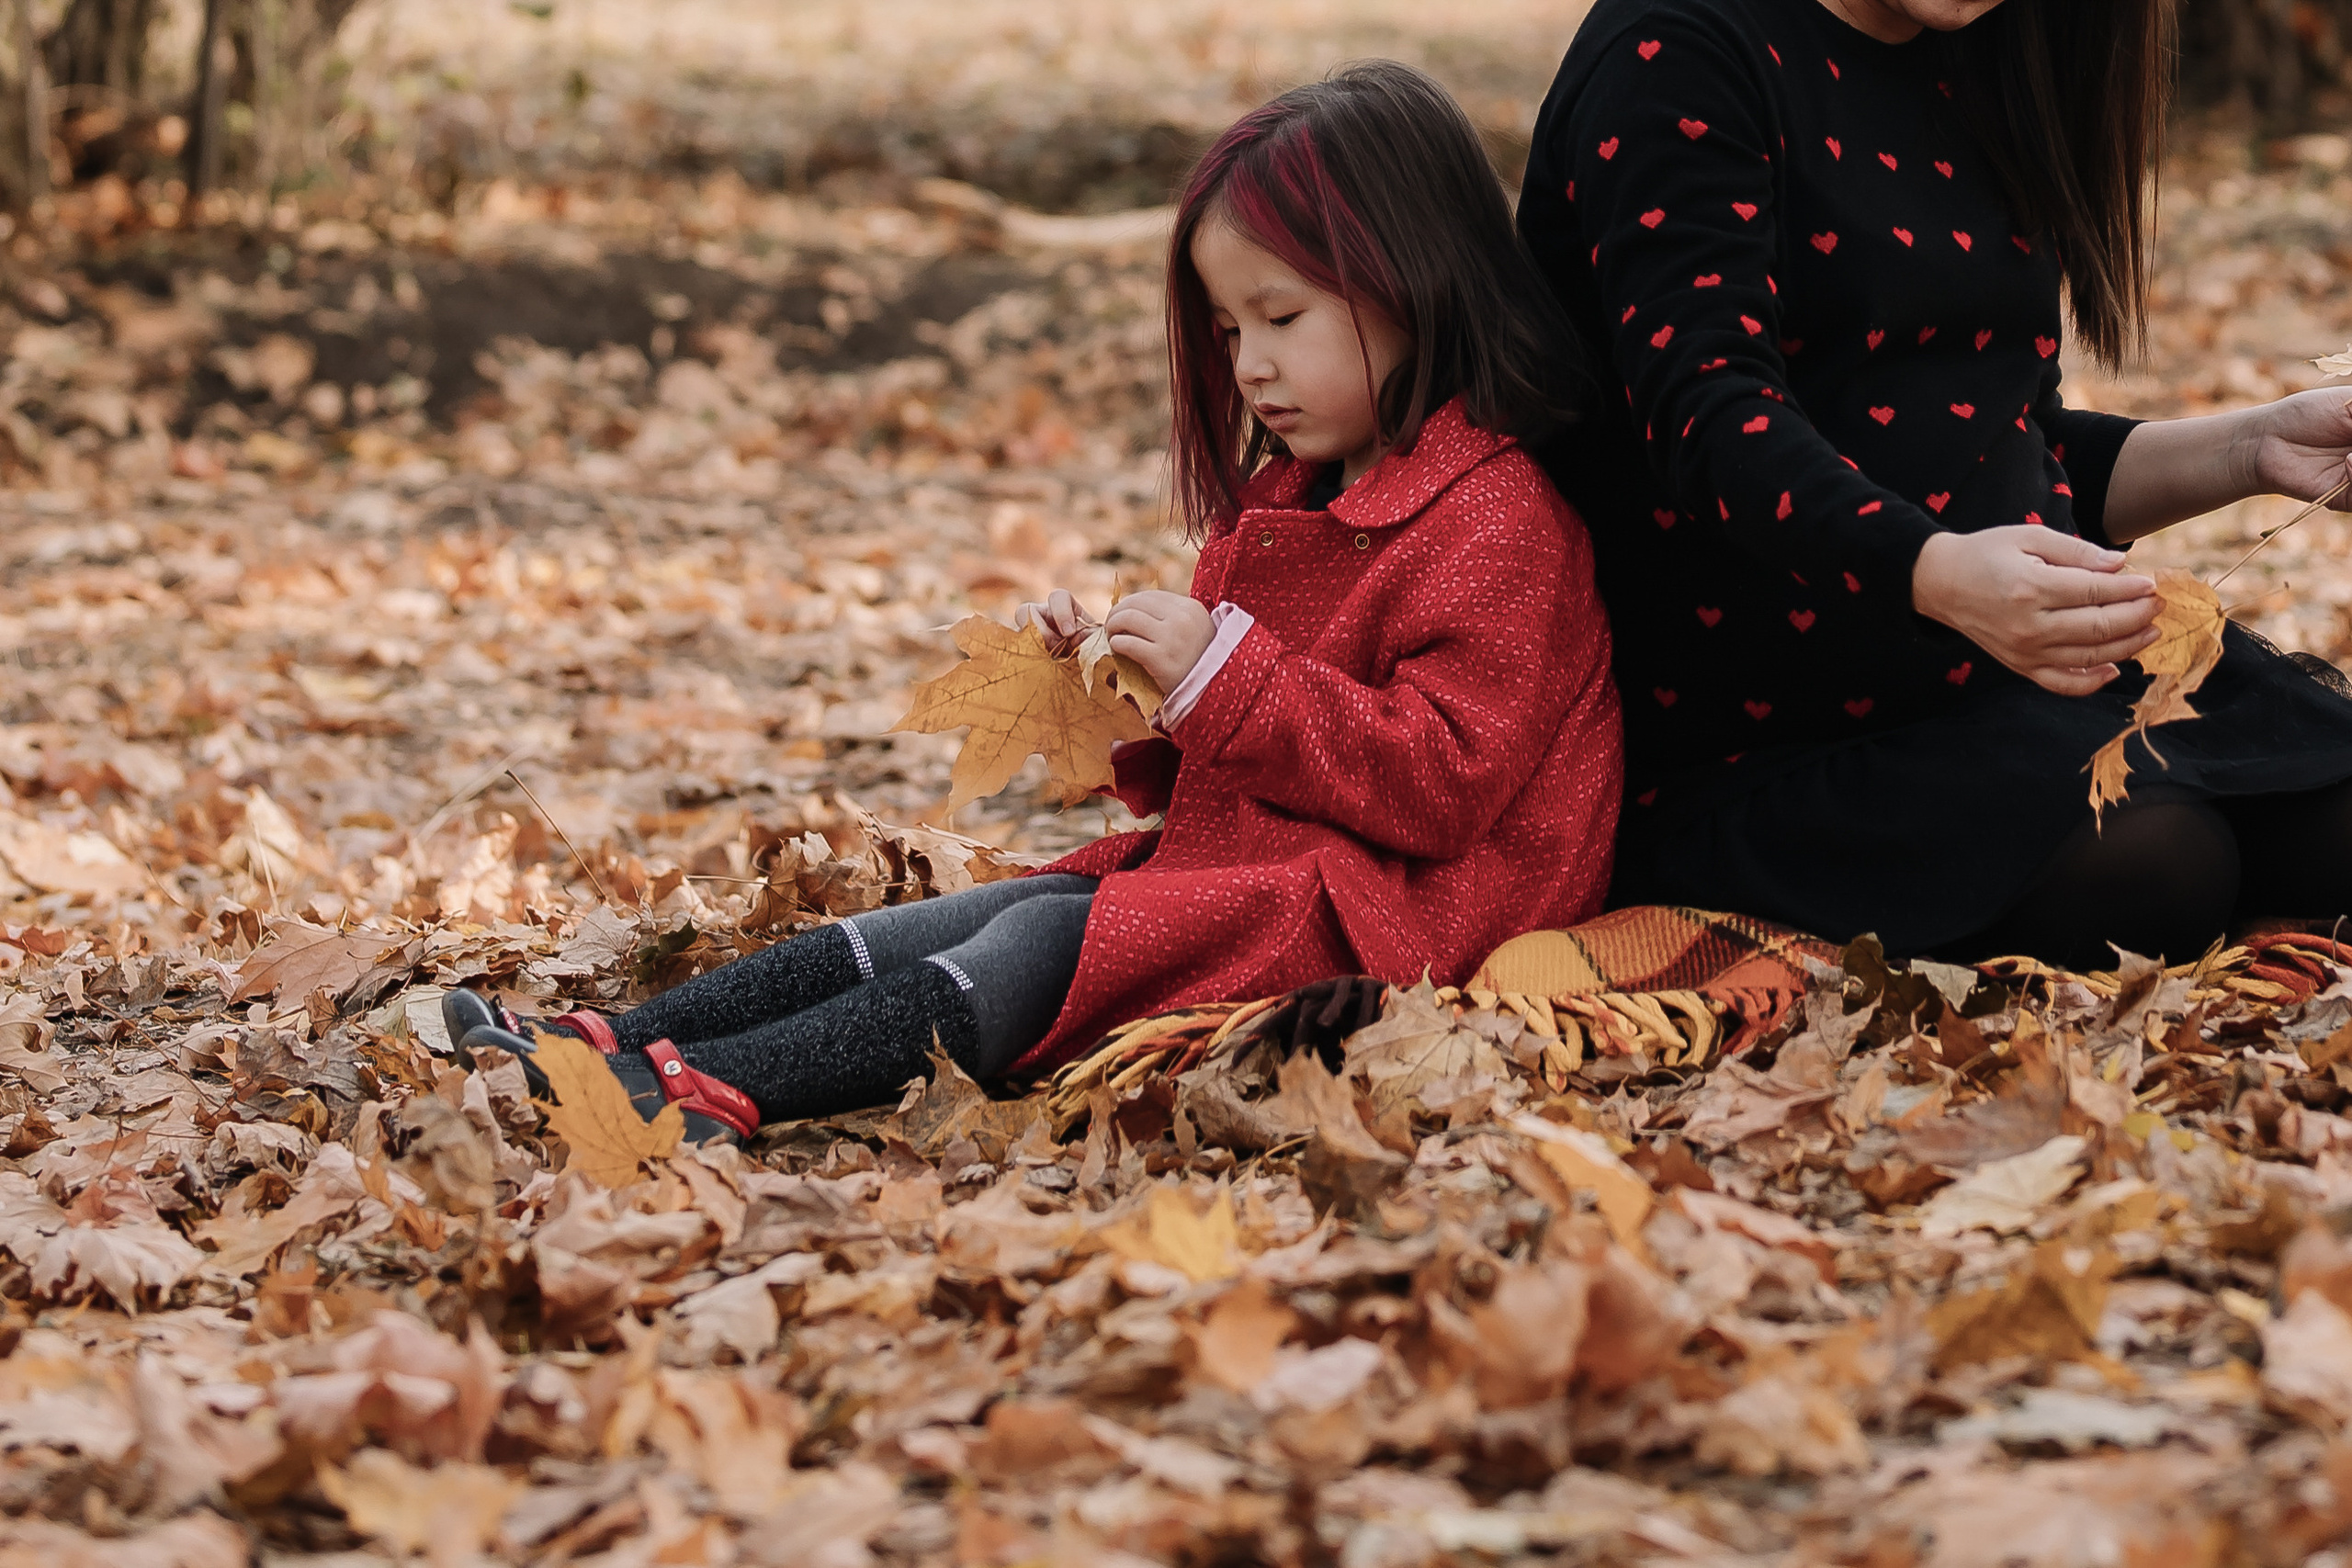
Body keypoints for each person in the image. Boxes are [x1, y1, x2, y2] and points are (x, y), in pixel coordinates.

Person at [445, 61, 1623, 1143]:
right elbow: (1227, 754)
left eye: (1282, 318)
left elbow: (1443, 781)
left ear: (1411, 283)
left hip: (1406, 915)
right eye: (1227, 331)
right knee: (973, 916)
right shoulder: (1290, 498)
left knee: (1042, 942)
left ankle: (716, 1092)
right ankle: (604, 1046)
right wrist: (1130, 690)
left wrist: (1227, 679)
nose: (1249, 365)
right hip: (1273, 864)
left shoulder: (1496, 520)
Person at [1516, 0, 2352, 973]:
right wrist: (1934, 573)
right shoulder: (1676, 46)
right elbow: (1707, 419)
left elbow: (2000, 447)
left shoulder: (1996, 52)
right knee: (2159, 865)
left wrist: (2253, 450)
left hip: (1998, 694)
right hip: (1761, 739)